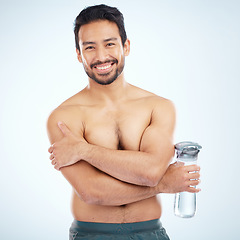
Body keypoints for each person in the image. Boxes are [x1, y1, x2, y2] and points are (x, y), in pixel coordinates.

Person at [47, 4, 201, 240]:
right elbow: (91, 192)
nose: (100, 57)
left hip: (149, 233)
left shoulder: (158, 107)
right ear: (79, 54)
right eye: (89, 47)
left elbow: (150, 171)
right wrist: (162, 186)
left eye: (109, 44)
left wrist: (83, 150)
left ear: (125, 46)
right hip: (92, 234)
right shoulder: (64, 117)